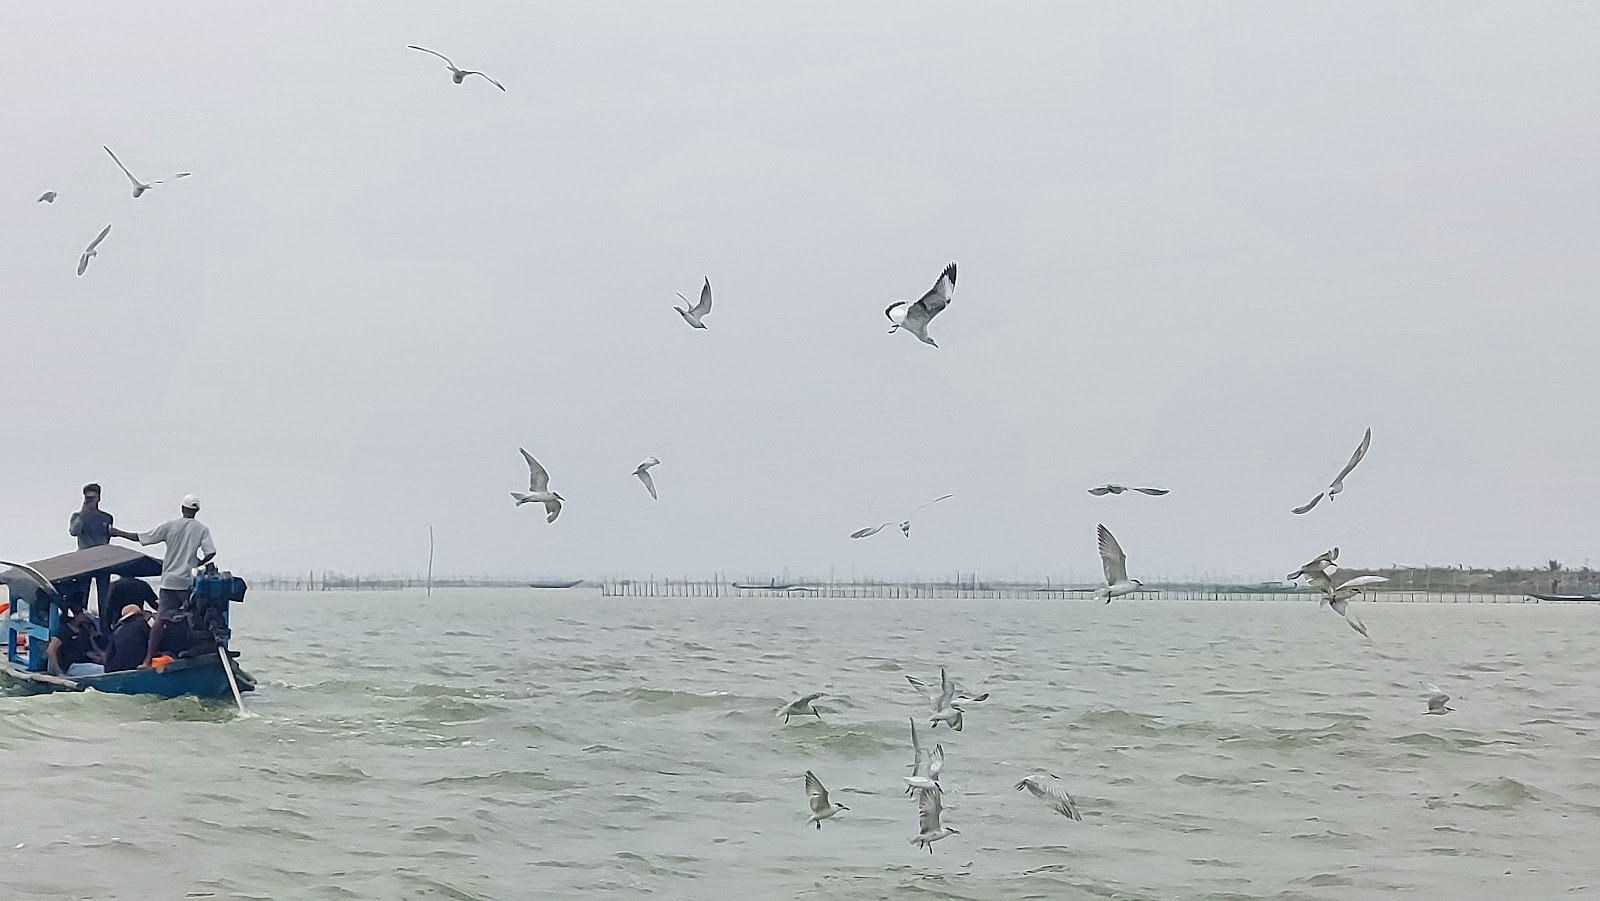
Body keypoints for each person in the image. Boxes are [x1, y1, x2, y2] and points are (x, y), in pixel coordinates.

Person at [110, 494, 216, 668]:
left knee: (160, 620)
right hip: (186, 582)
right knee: (195, 619)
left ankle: (147, 660)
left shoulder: (170, 526)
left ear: (182, 509)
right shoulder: (202, 530)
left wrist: (118, 533)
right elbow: (211, 552)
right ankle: (196, 655)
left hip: (169, 581)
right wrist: (197, 563)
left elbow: (144, 537)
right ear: (196, 511)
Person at [68, 483, 116, 630]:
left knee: (104, 600)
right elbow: (73, 532)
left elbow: (107, 537)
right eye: (87, 498)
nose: (90, 500)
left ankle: (104, 629)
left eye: (92, 498)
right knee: (82, 596)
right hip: (84, 561)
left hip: (102, 561)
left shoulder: (106, 517)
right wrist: (83, 513)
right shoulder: (77, 516)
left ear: (99, 498)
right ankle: (83, 628)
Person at [46, 596, 104, 678]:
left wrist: (102, 655)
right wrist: (59, 673)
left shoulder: (84, 629)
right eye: (82, 612)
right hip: (71, 666)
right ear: (75, 615)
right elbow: (50, 651)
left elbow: (92, 647)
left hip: (85, 663)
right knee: (101, 670)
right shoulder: (64, 630)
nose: (85, 615)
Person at [104, 604, 152, 673]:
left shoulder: (115, 632)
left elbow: (109, 654)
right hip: (136, 666)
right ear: (137, 616)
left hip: (115, 669)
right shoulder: (141, 624)